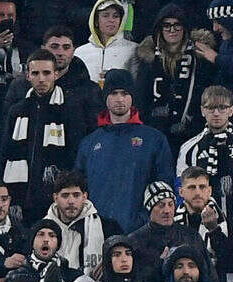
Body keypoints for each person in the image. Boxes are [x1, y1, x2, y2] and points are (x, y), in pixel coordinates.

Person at [76, 68, 175, 232]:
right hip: (96, 231)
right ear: (105, 96)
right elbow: (79, 188)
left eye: (125, 93)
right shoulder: (89, 142)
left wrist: (145, 219)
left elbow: (164, 185)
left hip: (142, 233)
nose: (119, 99)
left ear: (132, 97)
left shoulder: (154, 139)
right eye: (114, 93)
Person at [0, 49, 84, 215]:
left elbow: (74, 154)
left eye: (46, 73)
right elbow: (4, 152)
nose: (41, 79)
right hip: (21, 196)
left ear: (56, 75)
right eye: (35, 73)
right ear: (27, 75)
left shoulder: (69, 109)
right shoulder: (16, 110)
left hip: (54, 197)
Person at [176, 85, 233, 238]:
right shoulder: (189, 149)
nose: (216, 113)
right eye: (211, 108)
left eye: (222, 108)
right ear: (202, 110)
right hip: (200, 228)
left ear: (231, 110)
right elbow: (181, 191)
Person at [133, 5, 213, 149]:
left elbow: (203, 95)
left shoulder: (199, 58)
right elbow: (141, 99)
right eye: (167, 25)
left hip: (190, 133)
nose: (172, 30)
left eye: (177, 25)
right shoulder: (148, 60)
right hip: (155, 132)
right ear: (159, 29)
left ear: (185, 28)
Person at [76, 0, 138, 84]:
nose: (111, 20)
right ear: (96, 21)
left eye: (115, 16)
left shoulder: (133, 50)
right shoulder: (80, 52)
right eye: (106, 15)